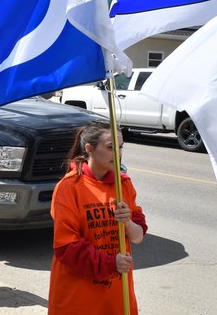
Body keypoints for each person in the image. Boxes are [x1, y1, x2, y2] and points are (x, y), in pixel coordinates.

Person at [48, 120, 146, 314]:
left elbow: (138, 237)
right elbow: (67, 248)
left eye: (120, 147)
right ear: (89, 149)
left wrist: (128, 222)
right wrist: (111, 263)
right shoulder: (68, 187)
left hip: (116, 295)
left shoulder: (123, 184)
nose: (118, 154)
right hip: (78, 296)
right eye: (111, 148)